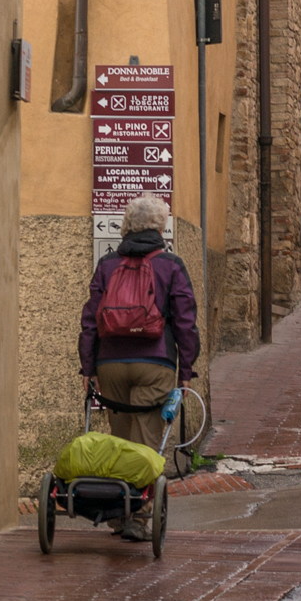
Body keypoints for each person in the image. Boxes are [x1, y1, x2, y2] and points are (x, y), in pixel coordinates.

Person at [78, 193, 200, 541]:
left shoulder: (107, 265)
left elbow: (90, 320)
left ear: (126, 226)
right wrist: (186, 370)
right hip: (155, 362)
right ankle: (138, 519)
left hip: (111, 363)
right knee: (146, 445)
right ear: (161, 226)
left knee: (119, 440)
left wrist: (89, 367)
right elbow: (185, 322)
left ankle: (116, 514)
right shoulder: (171, 265)